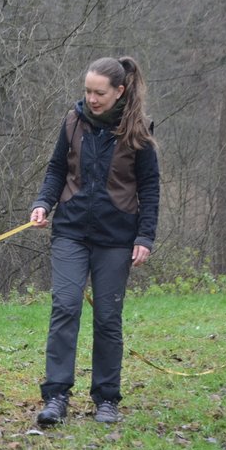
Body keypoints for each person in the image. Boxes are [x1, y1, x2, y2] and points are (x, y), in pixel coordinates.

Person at [29, 56, 160, 426]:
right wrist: (43, 204)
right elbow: (57, 169)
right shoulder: (73, 122)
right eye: (87, 91)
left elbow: (150, 189)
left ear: (119, 91)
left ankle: (106, 398)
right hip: (70, 232)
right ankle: (56, 395)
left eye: (99, 93)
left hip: (116, 239)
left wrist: (145, 236)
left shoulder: (139, 132)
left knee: (107, 318)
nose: (92, 99)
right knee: (66, 306)